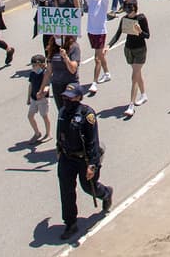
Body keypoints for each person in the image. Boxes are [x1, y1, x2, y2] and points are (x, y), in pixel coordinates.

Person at [56, 81, 113, 240]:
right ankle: (70, 223)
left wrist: (92, 165)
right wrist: (59, 150)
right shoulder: (62, 112)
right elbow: (60, 133)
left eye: (70, 98)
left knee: (89, 187)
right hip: (67, 158)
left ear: (79, 98)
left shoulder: (87, 115)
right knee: (66, 190)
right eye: (65, 97)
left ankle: (106, 193)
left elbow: (93, 141)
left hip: (84, 159)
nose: (67, 101)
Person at [109, 0, 149, 118]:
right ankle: (143, 95)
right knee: (137, 74)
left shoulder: (141, 18)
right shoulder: (124, 19)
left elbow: (147, 35)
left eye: (129, 9)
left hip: (140, 50)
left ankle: (131, 105)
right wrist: (108, 45)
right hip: (129, 49)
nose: (128, 12)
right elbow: (118, 34)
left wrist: (140, 31)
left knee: (134, 76)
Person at [77, 0, 111, 94]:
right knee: (101, 56)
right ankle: (106, 73)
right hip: (91, 32)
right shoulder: (90, 0)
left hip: (100, 32)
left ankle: (94, 83)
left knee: (97, 58)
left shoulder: (104, 2)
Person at [47, 34, 83, 112]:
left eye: (59, 34)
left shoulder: (74, 47)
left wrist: (66, 57)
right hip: (57, 84)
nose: (56, 35)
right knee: (62, 111)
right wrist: (43, 87)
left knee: (72, 110)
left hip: (70, 84)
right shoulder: (53, 46)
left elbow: (73, 70)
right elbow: (49, 71)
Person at [26, 54, 52, 143]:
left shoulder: (45, 73)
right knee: (30, 116)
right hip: (33, 99)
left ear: (41, 64)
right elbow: (31, 85)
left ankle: (48, 134)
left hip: (43, 100)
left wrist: (43, 93)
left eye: (34, 66)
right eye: (32, 66)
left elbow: (47, 86)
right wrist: (28, 98)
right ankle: (37, 133)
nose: (33, 67)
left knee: (44, 116)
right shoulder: (32, 73)